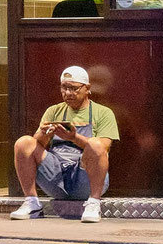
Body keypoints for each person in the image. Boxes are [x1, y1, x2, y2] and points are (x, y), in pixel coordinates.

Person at [10, 65, 119, 223]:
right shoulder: (53, 111)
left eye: (73, 88)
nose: (68, 93)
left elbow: (104, 147)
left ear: (87, 88)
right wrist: (45, 133)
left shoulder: (103, 112)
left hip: (84, 179)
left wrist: (74, 137)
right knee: (24, 143)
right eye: (64, 88)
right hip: (57, 177)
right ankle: (32, 203)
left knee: (95, 144)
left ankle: (94, 203)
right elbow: (34, 147)